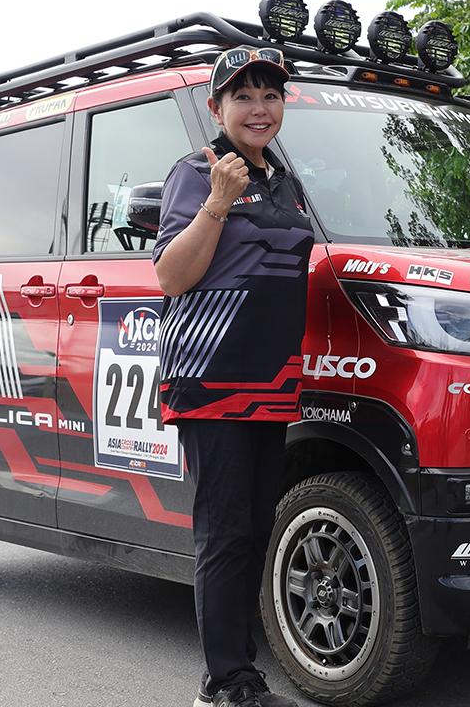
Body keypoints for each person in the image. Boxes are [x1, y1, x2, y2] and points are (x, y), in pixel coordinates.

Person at [154, 46, 313, 707]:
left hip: (271, 381)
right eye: (242, 96)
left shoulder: (286, 181)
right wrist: (218, 202)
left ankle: (232, 673)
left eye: (270, 95)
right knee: (223, 532)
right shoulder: (196, 172)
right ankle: (227, 684)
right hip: (211, 376)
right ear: (216, 108)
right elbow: (171, 276)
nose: (258, 108)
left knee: (253, 530)